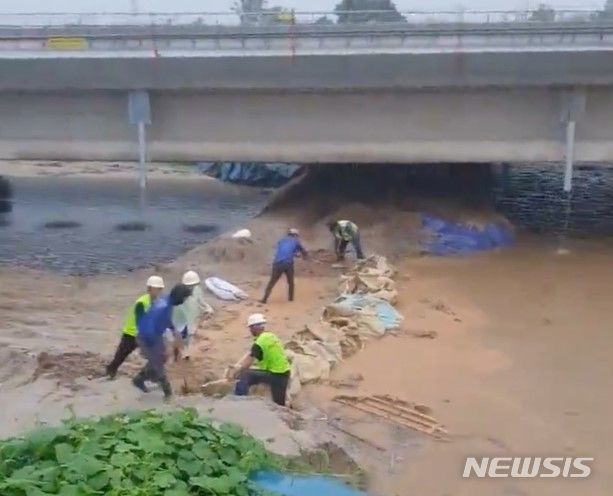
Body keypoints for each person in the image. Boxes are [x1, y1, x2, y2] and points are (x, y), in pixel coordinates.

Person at [132, 283, 192, 401]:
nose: (184, 301)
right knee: (159, 362)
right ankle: (168, 394)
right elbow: (150, 326)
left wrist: (174, 330)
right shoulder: (164, 306)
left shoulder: (165, 302)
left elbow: (165, 319)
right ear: (180, 296)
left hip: (153, 334)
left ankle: (139, 379)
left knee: (161, 359)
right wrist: (154, 346)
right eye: (184, 298)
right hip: (147, 336)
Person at [105, 275, 165, 379]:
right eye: (157, 289)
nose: (159, 291)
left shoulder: (156, 302)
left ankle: (149, 376)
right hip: (131, 333)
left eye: (160, 289)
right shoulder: (142, 302)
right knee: (121, 355)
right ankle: (111, 370)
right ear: (149, 288)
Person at [226, 313, 291, 406]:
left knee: (245, 374)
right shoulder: (270, 336)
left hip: (275, 375)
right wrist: (237, 364)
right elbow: (250, 353)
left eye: (251, 328)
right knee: (279, 405)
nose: (250, 330)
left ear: (255, 327)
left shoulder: (260, 342)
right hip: (284, 373)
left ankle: (238, 402)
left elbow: (247, 364)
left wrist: (236, 370)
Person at [171, 270, 214, 360]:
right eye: (189, 286)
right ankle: (177, 354)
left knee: (189, 338)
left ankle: (186, 356)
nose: (191, 288)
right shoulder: (179, 293)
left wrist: (208, 309)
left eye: (193, 286)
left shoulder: (197, 290)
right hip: (180, 319)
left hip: (191, 318)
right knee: (179, 337)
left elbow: (201, 302)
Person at [260, 228, 307, 304]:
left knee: (272, 282)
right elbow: (303, 252)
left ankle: (264, 299)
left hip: (277, 263)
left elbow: (284, 250)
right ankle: (290, 299)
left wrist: (294, 253)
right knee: (290, 282)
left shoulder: (281, 240)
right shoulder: (296, 241)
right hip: (288, 264)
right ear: (295, 235)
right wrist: (305, 257)